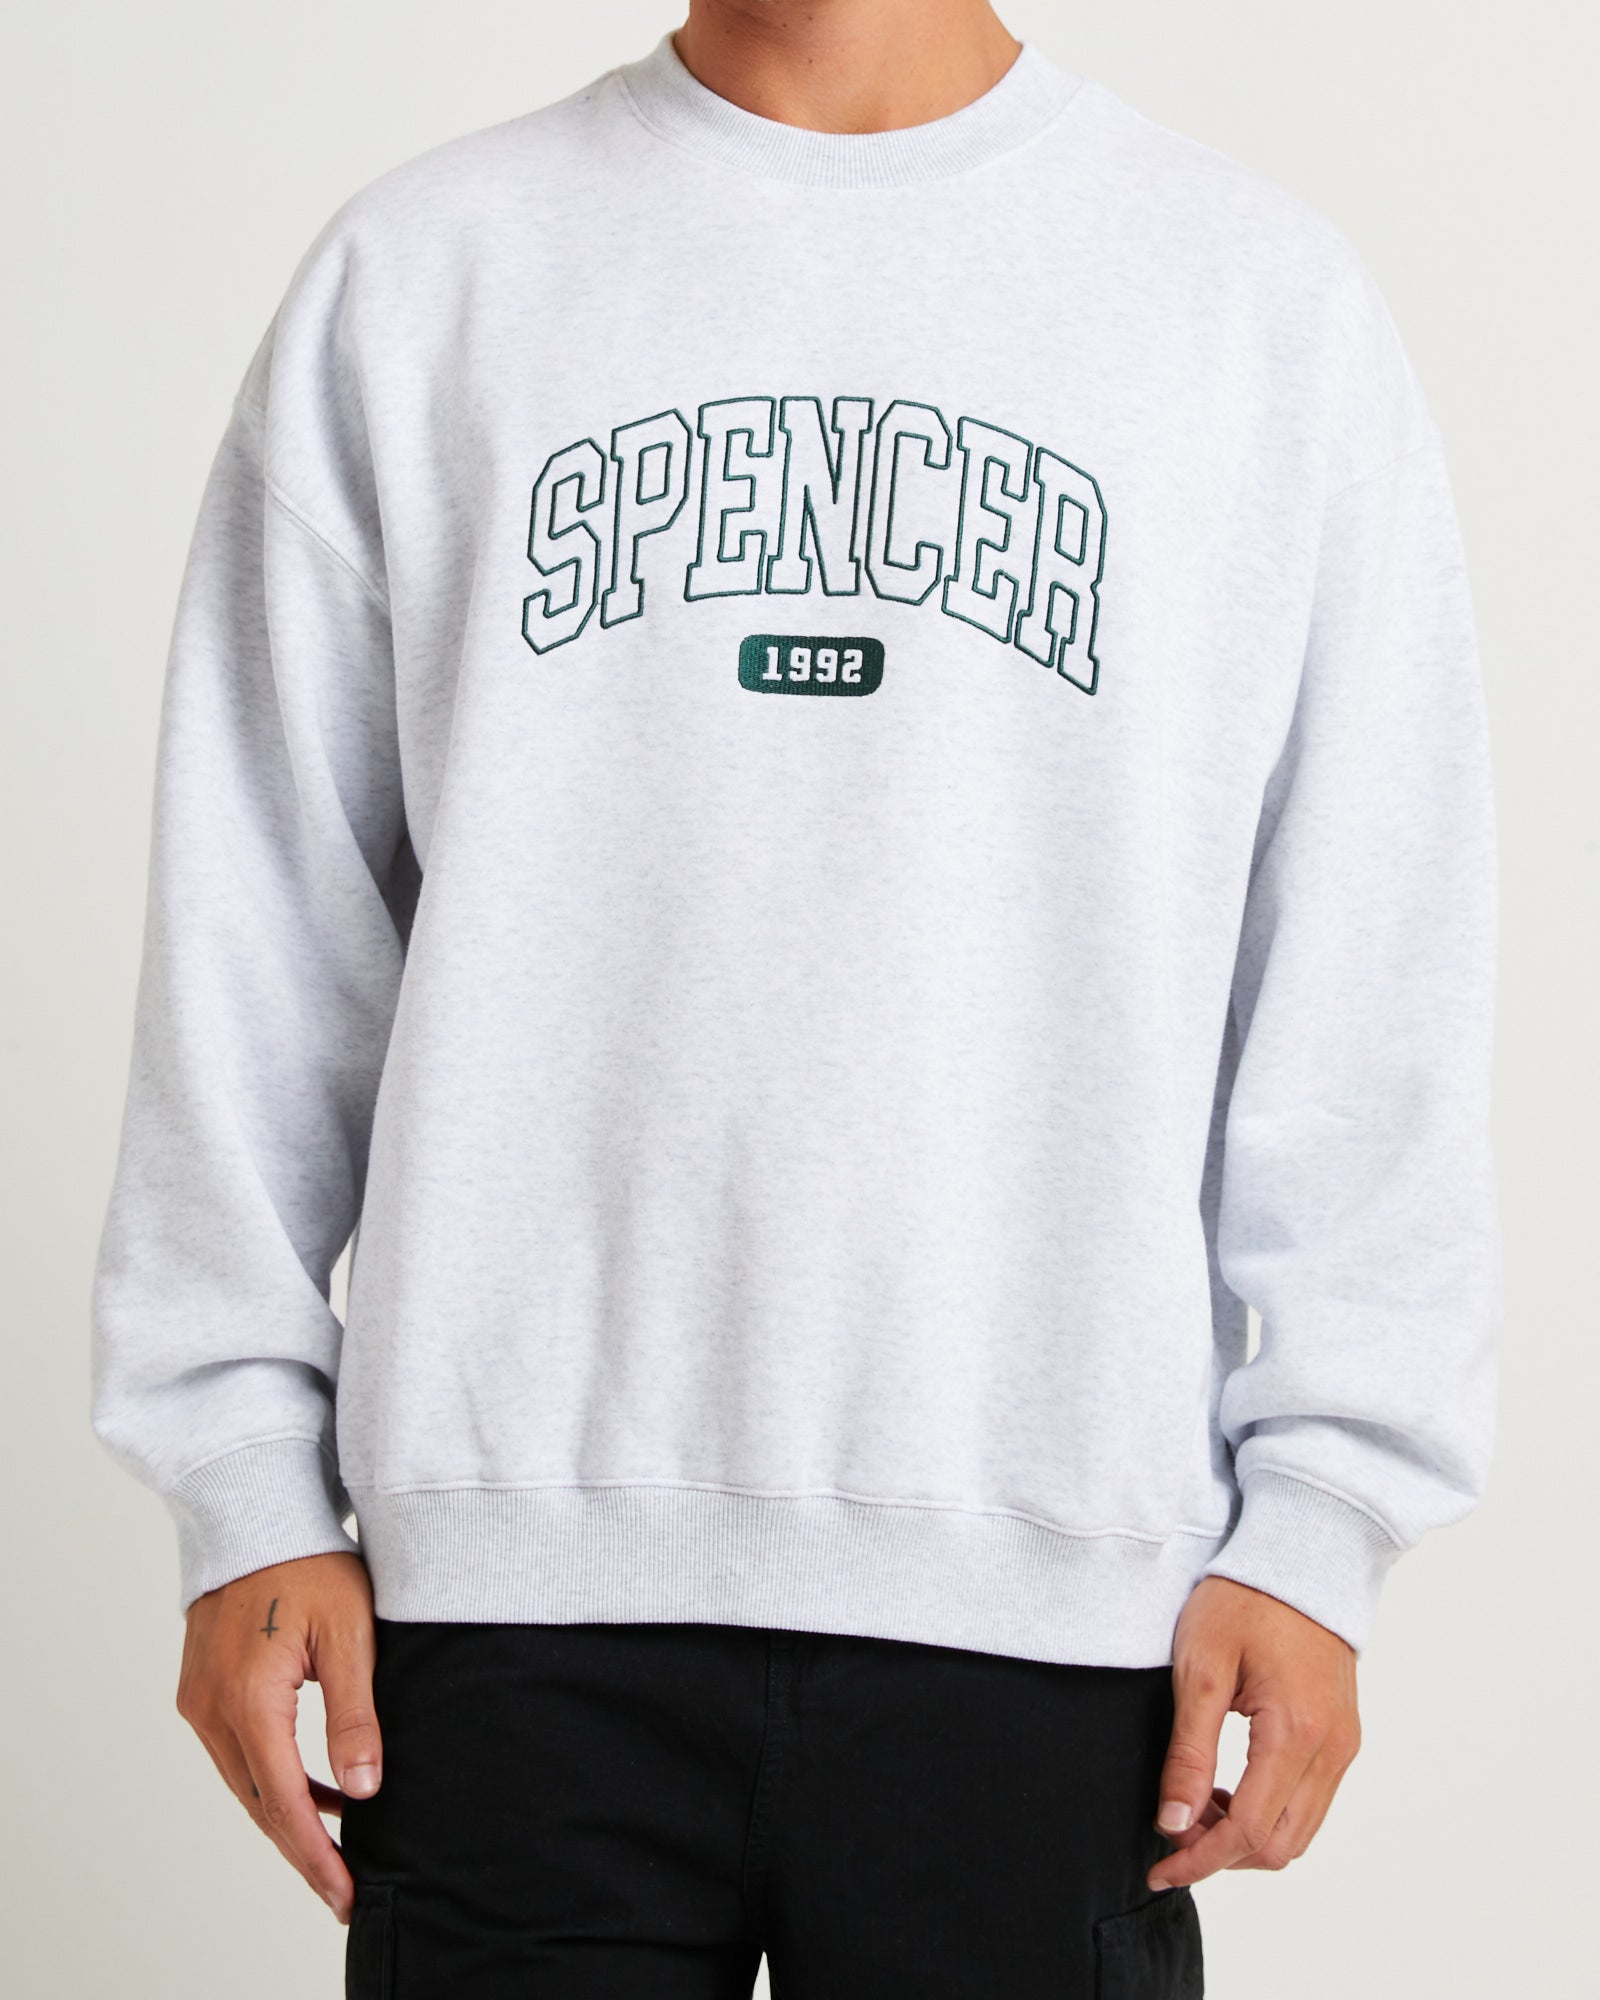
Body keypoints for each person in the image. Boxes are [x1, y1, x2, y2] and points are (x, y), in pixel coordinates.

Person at [88, 1, 1500, 1993]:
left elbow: (1370, 957)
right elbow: (263, 927)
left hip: (1053, 1604)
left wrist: (1325, 1514)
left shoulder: (1255, 304)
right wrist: (242, 1486)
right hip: (502, 1604)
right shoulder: (428, 272)